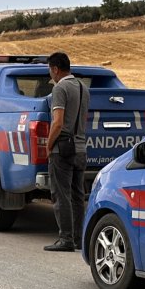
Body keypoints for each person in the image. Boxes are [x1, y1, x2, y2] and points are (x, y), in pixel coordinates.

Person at [43, 52, 89, 252]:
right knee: (78, 195)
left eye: (50, 70)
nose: (50, 74)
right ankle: (78, 238)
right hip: (80, 147)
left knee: (61, 194)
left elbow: (58, 122)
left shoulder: (60, 88)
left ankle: (65, 238)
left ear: (55, 69)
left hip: (62, 149)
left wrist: (48, 145)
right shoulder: (83, 88)